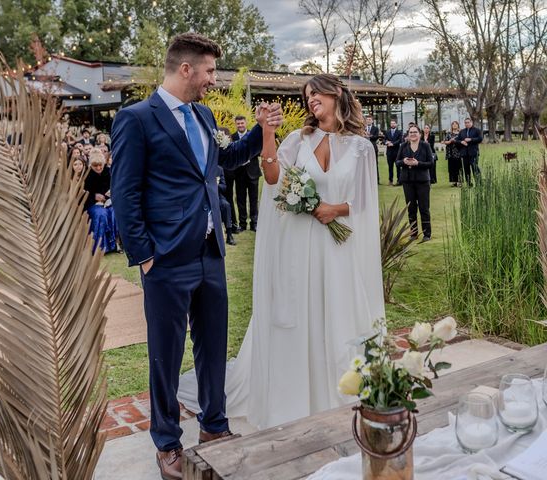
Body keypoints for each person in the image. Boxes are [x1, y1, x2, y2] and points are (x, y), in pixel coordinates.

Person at [110, 32, 283, 480]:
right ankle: (167, 443)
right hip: (165, 260)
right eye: (208, 71)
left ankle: (214, 427)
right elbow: (125, 195)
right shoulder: (136, 118)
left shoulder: (204, 116)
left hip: (210, 253)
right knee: (165, 356)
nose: (212, 80)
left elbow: (226, 161)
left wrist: (264, 130)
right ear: (185, 69)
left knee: (213, 347)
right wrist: (145, 256)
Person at [178, 73, 384, 431]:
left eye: (316, 93)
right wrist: (268, 133)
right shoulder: (297, 138)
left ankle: (339, 390)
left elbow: (365, 201)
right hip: (299, 246)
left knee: (335, 310)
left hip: (336, 248)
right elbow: (272, 176)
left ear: (336, 94)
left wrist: (332, 210)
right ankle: (295, 394)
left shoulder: (361, 147)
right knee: (299, 311)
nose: (311, 100)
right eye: (307, 96)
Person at [396, 125, 434, 241]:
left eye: (415, 132)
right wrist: (403, 161)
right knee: (411, 208)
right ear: (408, 134)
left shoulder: (425, 146)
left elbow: (431, 163)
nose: (412, 134)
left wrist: (418, 163)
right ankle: (413, 233)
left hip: (422, 181)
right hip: (407, 181)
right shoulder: (403, 146)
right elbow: (397, 162)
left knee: (424, 208)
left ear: (420, 134)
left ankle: (427, 234)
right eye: (410, 132)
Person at [84, 149, 118, 253]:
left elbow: (117, 186)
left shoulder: (109, 171)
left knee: (114, 212)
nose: (98, 168)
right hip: (92, 204)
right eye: (95, 166)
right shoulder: (87, 175)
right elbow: (83, 193)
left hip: (109, 202)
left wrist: (111, 192)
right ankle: (101, 247)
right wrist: (94, 196)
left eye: (100, 165)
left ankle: (116, 243)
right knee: (101, 214)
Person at [232, 115, 262, 232]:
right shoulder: (232, 137)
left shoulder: (252, 135)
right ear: (236, 124)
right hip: (239, 173)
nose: (240, 125)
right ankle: (243, 224)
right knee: (240, 199)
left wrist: (247, 157)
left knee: (254, 199)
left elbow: (259, 149)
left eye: (242, 123)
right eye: (238, 124)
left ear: (246, 123)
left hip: (252, 171)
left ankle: (254, 223)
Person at [457, 117, 483, 186]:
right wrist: (461, 142)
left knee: (474, 167)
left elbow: (480, 139)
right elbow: (457, 140)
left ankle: (478, 183)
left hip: (473, 152)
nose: (467, 124)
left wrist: (471, 139)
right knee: (466, 168)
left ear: (471, 122)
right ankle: (469, 184)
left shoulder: (476, 130)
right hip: (464, 153)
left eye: (468, 122)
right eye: (465, 123)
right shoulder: (462, 131)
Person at [216, 165, 236, 245]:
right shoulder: (203, 168)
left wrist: (215, 185)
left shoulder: (219, 169)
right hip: (205, 197)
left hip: (218, 197)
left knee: (226, 205)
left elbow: (224, 187)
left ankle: (229, 234)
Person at [383, 119, 403, 186]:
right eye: (391, 123)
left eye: (394, 123)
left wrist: (393, 144)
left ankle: (399, 180)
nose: (393, 124)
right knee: (390, 167)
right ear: (390, 124)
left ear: (396, 124)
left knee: (398, 167)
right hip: (389, 153)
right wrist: (386, 142)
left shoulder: (399, 132)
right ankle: (390, 181)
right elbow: (384, 139)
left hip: (397, 152)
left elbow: (400, 140)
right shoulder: (387, 132)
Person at [443, 121, 462, 187]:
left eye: (455, 124)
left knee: (459, 167)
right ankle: (454, 181)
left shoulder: (460, 133)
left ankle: (459, 181)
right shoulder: (449, 134)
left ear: (458, 125)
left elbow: (462, 142)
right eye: (453, 124)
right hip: (450, 153)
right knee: (451, 168)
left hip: (458, 153)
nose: (454, 125)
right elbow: (445, 142)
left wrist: (456, 141)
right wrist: (450, 141)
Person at [365, 114, 380, 183]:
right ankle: (367, 180)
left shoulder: (376, 128)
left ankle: (376, 180)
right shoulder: (363, 128)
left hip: (373, 147)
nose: (368, 121)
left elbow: (376, 137)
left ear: (372, 121)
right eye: (367, 120)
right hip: (364, 149)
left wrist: (369, 135)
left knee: (374, 163)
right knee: (365, 164)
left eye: (369, 120)